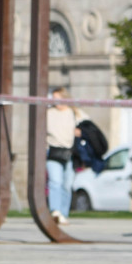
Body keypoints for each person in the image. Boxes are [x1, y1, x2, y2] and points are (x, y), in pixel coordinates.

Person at [46, 86, 82, 226]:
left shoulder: (75, 113)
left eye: (59, 98)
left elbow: (88, 127)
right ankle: (55, 211)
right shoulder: (48, 113)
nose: (57, 101)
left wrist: (80, 132)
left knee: (67, 185)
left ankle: (63, 213)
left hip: (70, 153)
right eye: (54, 99)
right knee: (55, 182)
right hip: (53, 151)